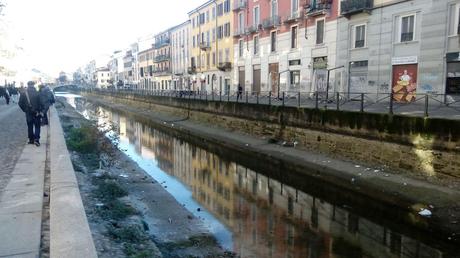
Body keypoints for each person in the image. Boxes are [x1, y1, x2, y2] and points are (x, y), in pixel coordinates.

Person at [18, 81, 43, 146]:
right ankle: (37, 140)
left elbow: (20, 103)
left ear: (28, 85)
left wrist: (25, 110)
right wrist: (40, 111)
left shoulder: (23, 93)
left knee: (30, 126)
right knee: (37, 126)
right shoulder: (38, 93)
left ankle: (31, 140)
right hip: (37, 112)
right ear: (34, 85)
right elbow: (41, 103)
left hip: (28, 112)